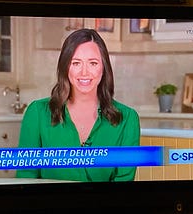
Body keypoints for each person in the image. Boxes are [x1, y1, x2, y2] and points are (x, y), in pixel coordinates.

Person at [16, 28, 140, 182]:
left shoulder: (127, 119)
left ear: (104, 68)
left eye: (93, 63)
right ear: (65, 67)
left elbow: (123, 188)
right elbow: (26, 179)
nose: (84, 73)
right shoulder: (37, 113)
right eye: (76, 63)